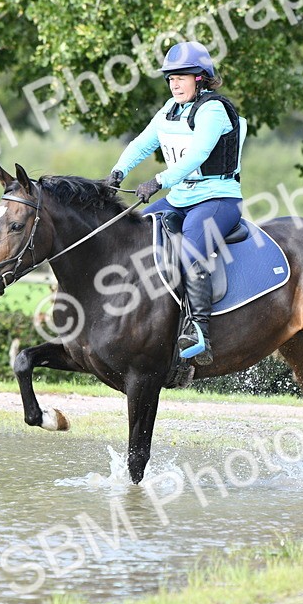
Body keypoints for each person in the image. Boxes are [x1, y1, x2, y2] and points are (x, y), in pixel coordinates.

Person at [108, 41, 246, 366]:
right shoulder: (169, 109)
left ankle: (199, 331)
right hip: (179, 199)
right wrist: (117, 172)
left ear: (200, 78)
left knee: (191, 250)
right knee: (135, 235)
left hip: (217, 199)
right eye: (171, 78)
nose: (174, 84)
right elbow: (142, 143)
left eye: (181, 77)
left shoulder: (213, 110)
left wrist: (158, 181)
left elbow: (198, 154)